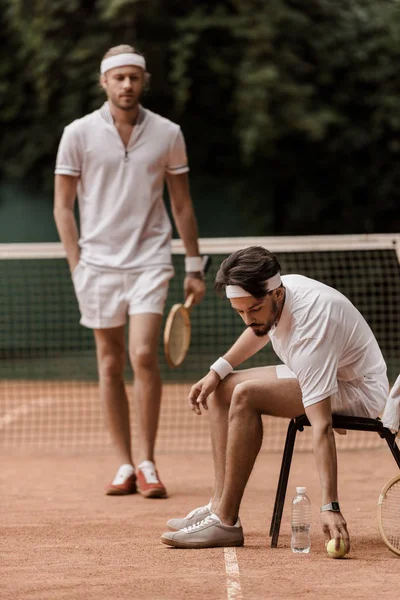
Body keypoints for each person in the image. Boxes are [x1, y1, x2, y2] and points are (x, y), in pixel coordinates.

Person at [54, 44, 206, 499]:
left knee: (142, 355)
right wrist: (77, 265)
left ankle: (148, 462)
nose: (126, 85)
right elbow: (63, 207)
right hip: (96, 266)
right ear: (104, 82)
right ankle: (123, 463)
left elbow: (181, 204)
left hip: (150, 261)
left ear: (144, 81)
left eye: (133, 78)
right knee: (108, 362)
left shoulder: (168, 133)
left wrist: (194, 265)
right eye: (117, 78)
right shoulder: (77, 133)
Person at [161, 246, 388, 548]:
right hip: (323, 371)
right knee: (223, 389)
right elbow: (258, 330)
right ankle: (218, 505)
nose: (246, 319)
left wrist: (329, 505)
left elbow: (321, 426)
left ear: (277, 295)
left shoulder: (312, 327)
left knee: (245, 395)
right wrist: (217, 370)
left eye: (252, 309)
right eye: (239, 311)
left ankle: (226, 522)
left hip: (359, 392)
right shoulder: (274, 293)